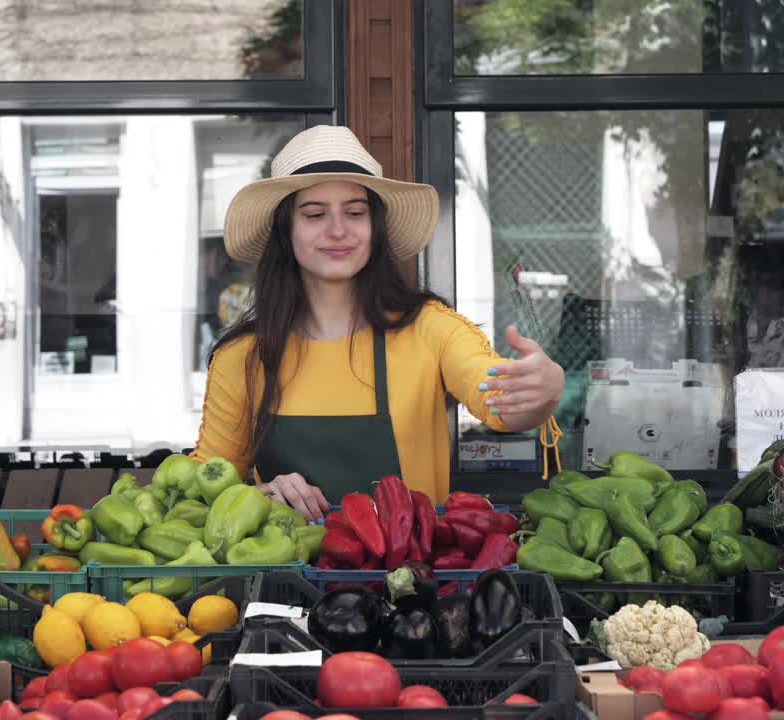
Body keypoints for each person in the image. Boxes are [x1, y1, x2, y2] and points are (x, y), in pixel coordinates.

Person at [189, 125, 566, 520]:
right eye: (315, 214)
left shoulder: (431, 330)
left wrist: (544, 389)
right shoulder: (243, 356)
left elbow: (498, 402)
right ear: (285, 231)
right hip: (283, 578)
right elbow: (204, 484)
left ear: (376, 228)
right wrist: (256, 495)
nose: (338, 229)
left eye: (355, 212)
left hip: (411, 575)